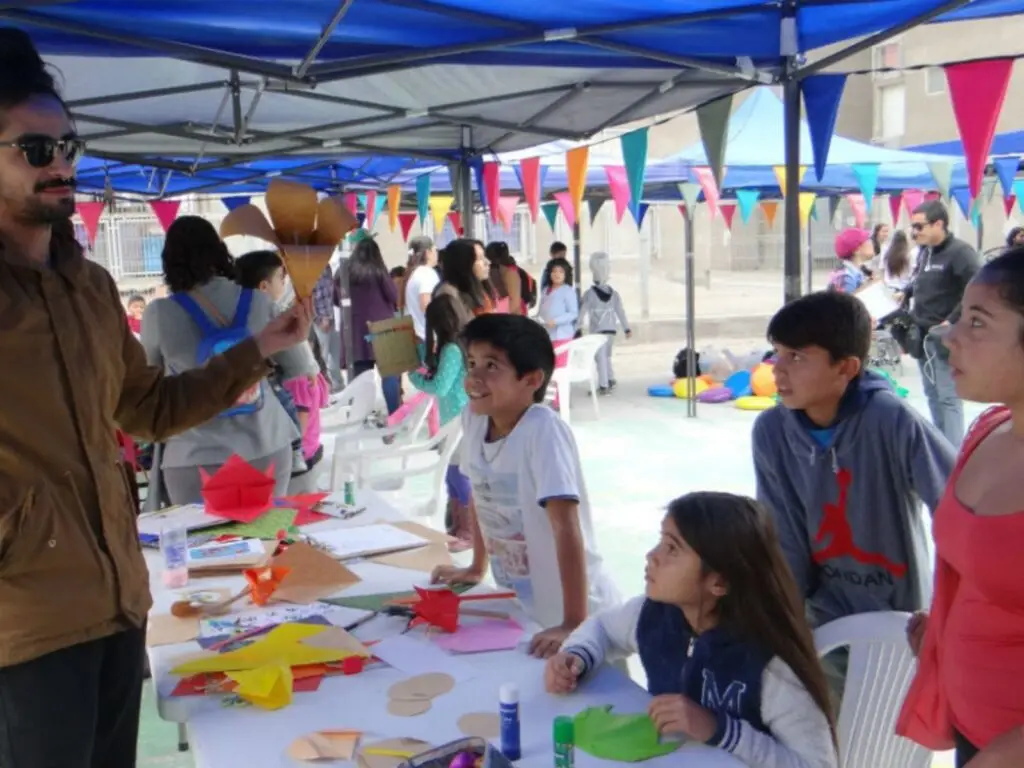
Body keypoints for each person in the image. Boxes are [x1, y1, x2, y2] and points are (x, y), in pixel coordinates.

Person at [0, 28, 311, 766]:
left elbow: (149, 409)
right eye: (35, 150)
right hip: (24, 619)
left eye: (69, 146)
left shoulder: (90, 287)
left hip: (118, 601)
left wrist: (260, 348)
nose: (61, 164)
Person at [752, 291, 955, 700]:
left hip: (899, 624)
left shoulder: (892, 421)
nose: (778, 370)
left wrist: (948, 609)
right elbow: (783, 534)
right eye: (776, 354)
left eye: (797, 357)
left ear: (846, 368)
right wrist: (786, 621)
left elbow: (955, 511)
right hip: (820, 620)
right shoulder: (772, 433)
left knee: (887, 739)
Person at [547, 493, 838, 768]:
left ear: (719, 583)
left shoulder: (770, 664)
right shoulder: (653, 617)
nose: (652, 556)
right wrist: (576, 656)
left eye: (672, 548)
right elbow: (602, 627)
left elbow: (817, 764)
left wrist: (720, 729)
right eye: (660, 542)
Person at [897, 249, 1024, 768]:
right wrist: (946, 630)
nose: (951, 336)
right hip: (972, 732)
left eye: (978, 322)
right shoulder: (987, 431)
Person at [431, 314, 619, 657]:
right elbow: (481, 493)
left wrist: (573, 623)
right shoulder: (474, 419)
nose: (474, 376)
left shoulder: (542, 430)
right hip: (529, 607)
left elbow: (566, 527)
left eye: (491, 365)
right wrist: (477, 566)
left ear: (531, 379)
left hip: (582, 612)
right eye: (472, 362)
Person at [142, 217, 313, 504]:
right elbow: (299, 366)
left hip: (194, 455)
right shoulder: (259, 301)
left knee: (202, 546)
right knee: (267, 542)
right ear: (219, 251)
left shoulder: (159, 314)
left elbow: (149, 382)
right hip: (266, 444)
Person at [235, 249, 330, 489]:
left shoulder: (233, 316)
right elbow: (304, 368)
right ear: (264, 286)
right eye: (280, 277)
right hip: (288, 445)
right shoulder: (269, 312)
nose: (284, 282)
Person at [906, 200, 981, 447]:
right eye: (912, 227)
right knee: (931, 394)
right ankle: (941, 447)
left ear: (939, 223)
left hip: (945, 337)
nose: (915, 232)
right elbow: (921, 283)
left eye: (919, 226)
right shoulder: (926, 252)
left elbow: (976, 289)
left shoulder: (960, 252)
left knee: (948, 396)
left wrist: (952, 320)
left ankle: (952, 453)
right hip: (923, 335)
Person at [409, 294, 471, 545]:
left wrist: (414, 378)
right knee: (452, 475)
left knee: (458, 476)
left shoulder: (452, 349)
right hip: (458, 418)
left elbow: (441, 386)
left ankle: (468, 531)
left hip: (460, 420)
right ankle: (458, 526)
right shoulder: (458, 345)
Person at [345, 233, 401, 414]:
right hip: (383, 327)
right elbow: (394, 296)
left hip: (356, 330)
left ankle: (361, 417)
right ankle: (394, 417)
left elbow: (337, 299)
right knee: (390, 376)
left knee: (362, 379)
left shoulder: (344, 273)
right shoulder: (379, 271)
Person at [579, 251, 631, 393]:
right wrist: (627, 328)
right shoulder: (614, 294)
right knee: (607, 356)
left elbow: (582, 312)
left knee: (600, 358)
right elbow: (621, 312)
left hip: (598, 332)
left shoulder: (589, 294)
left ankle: (603, 386)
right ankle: (610, 378)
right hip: (611, 331)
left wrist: (576, 327)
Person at [436, 238, 492, 326]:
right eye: (480, 258)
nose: (487, 262)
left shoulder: (479, 289)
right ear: (464, 263)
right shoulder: (448, 295)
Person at [401, 235, 439, 343]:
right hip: (427, 336)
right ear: (428, 253)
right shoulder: (427, 273)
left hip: (416, 334)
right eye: (435, 250)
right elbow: (426, 305)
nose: (437, 254)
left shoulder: (414, 273)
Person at [311, 262, 343, 392]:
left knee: (336, 355)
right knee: (322, 357)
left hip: (333, 316)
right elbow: (309, 299)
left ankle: (338, 385)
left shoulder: (326, 266)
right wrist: (319, 320)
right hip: (321, 321)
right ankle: (321, 389)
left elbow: (331, 292)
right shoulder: (309, 271)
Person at [828, 228, 876, 293]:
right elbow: (846, 302)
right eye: (867, 239)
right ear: (857, 250)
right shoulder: (846, 278)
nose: (871, 242)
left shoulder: (855, 273)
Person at [485, 241, 524, 315]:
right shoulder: (490, 272)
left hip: (510, 319)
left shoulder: (509, 273)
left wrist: (500, 317)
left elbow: (514, 302)